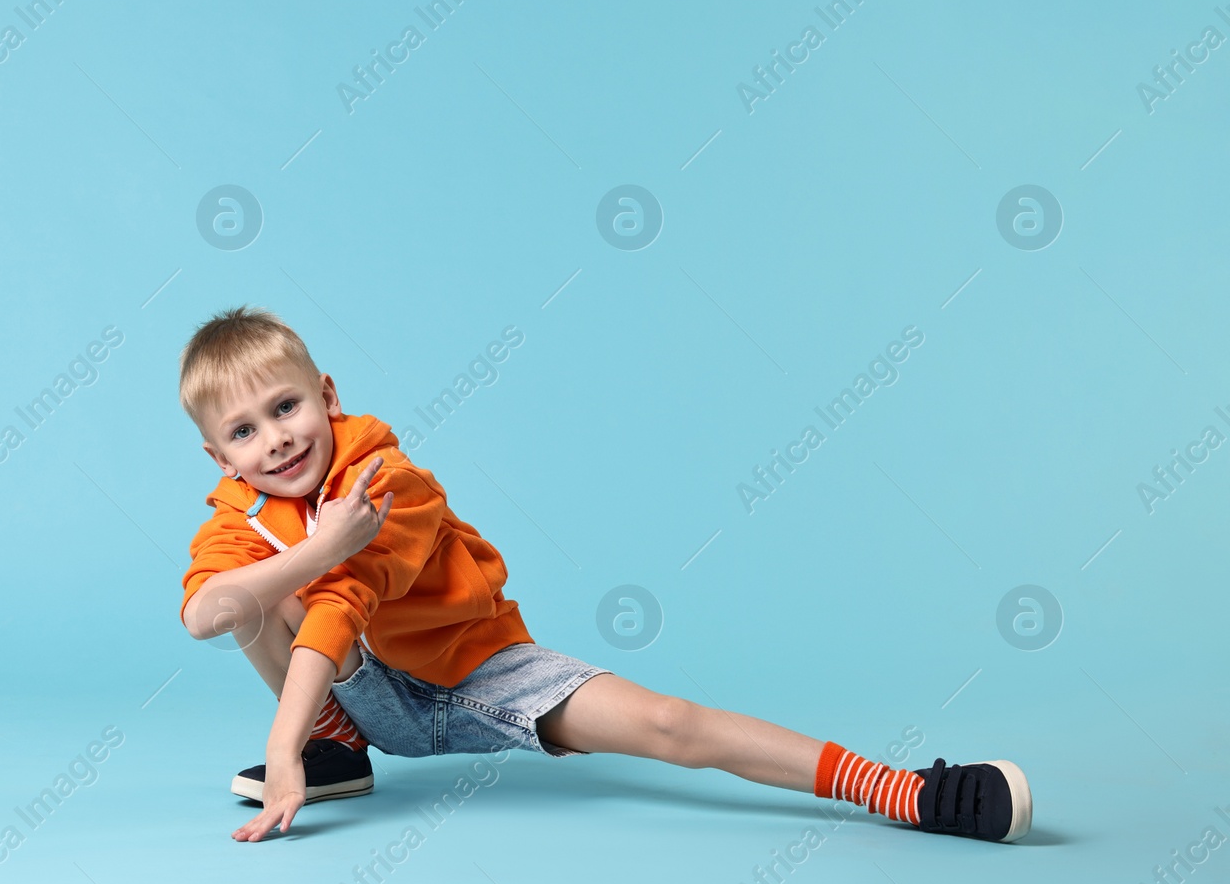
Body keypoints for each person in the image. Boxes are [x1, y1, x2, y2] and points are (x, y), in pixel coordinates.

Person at [177, 305, 1032, 844]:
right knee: (261, 587)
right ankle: (339, 745)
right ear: (220, 455)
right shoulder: (242, 512)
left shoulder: (388, 481)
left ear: (326, 394)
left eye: (286, 407)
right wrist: (315, 555)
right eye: (245, 432)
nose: (276, 440)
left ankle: (905, 792)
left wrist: (275, 740)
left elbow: (341, 605)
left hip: (483, 674)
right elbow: (207, 615)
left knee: (669, 721)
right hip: (368, 694)